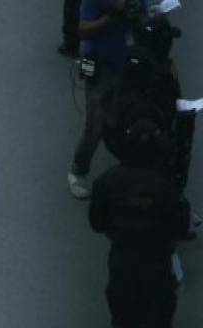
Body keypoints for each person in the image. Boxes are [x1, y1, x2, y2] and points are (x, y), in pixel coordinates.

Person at [88, 118, 190, 328]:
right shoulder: (166, 186)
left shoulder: (107, 182)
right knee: (159, 321)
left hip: (122, 259)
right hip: (157, 262)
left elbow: (96, 223)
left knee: (122, 320)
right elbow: (182, 227)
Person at [68, 0, 147, 199]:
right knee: (95, 125)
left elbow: (143, 14)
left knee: (121, 118)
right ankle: (78, 171)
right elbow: (83, 29)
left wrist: (136, 15)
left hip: (125, 63)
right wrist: (110, 19)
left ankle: (127, 169)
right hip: (99, 65)